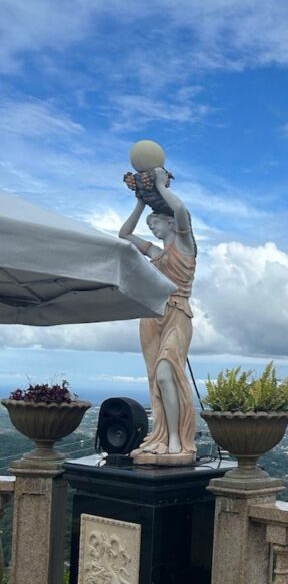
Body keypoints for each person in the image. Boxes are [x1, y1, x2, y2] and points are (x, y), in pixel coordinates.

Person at [119, 140, 197, 464]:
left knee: (167, 373)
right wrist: (139, 204)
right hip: (152, 316)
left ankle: (178, 439)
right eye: (149, 224)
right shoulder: (156, 253)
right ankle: (160, 435)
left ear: (168, 224)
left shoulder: (186, 246)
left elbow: (181, 211)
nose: (151, 225)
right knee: (154, 378)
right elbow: (124, 235)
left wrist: (162, 187)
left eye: (154, 222)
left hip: (177, 313)